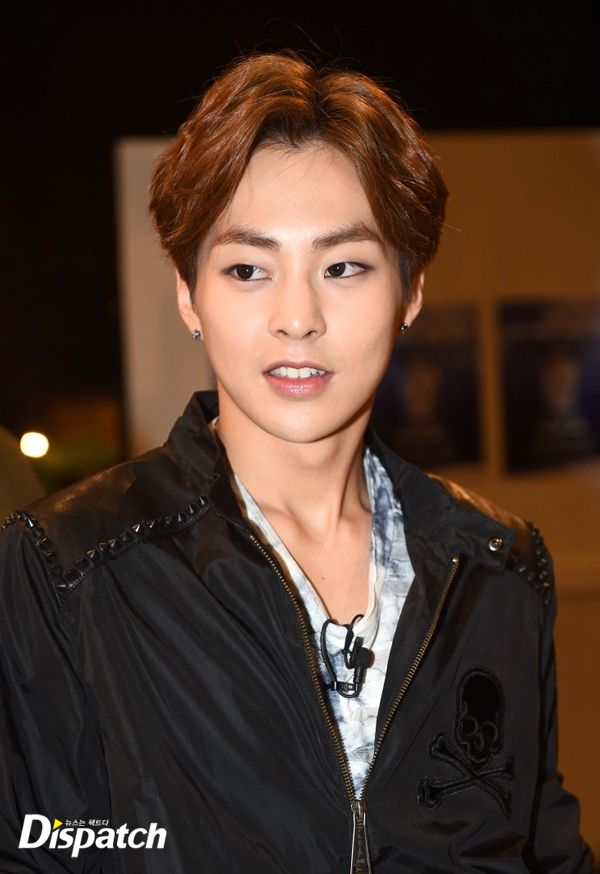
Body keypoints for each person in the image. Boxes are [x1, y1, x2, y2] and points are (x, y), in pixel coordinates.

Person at [0, 50, 593, 873]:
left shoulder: (500, 565)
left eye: (343, 266)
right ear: (188, 293)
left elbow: (545, 849)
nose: (297, 317)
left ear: (411, 289)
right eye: (248, 269)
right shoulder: (67, 566)